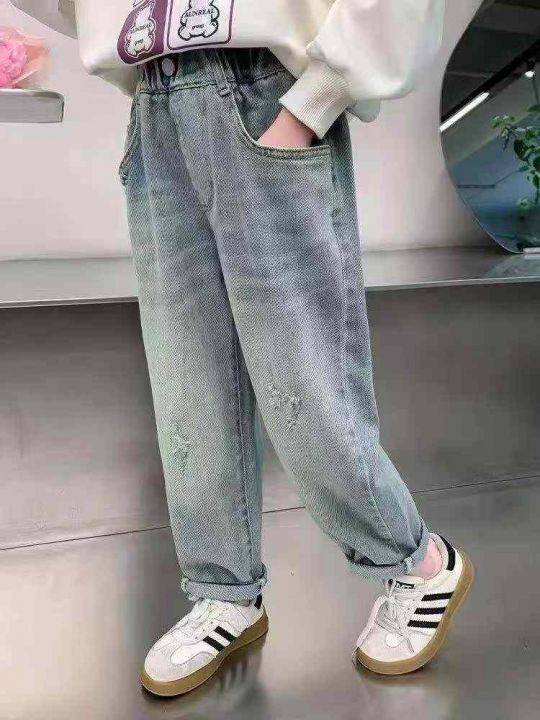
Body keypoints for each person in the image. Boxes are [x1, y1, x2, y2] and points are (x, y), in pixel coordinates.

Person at [50, 0, 473, 696]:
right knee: (187, 381)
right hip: (157, 105)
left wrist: (312, 104)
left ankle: (418, 562)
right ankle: (224, 590)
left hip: (266, 93)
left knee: (301, 378)